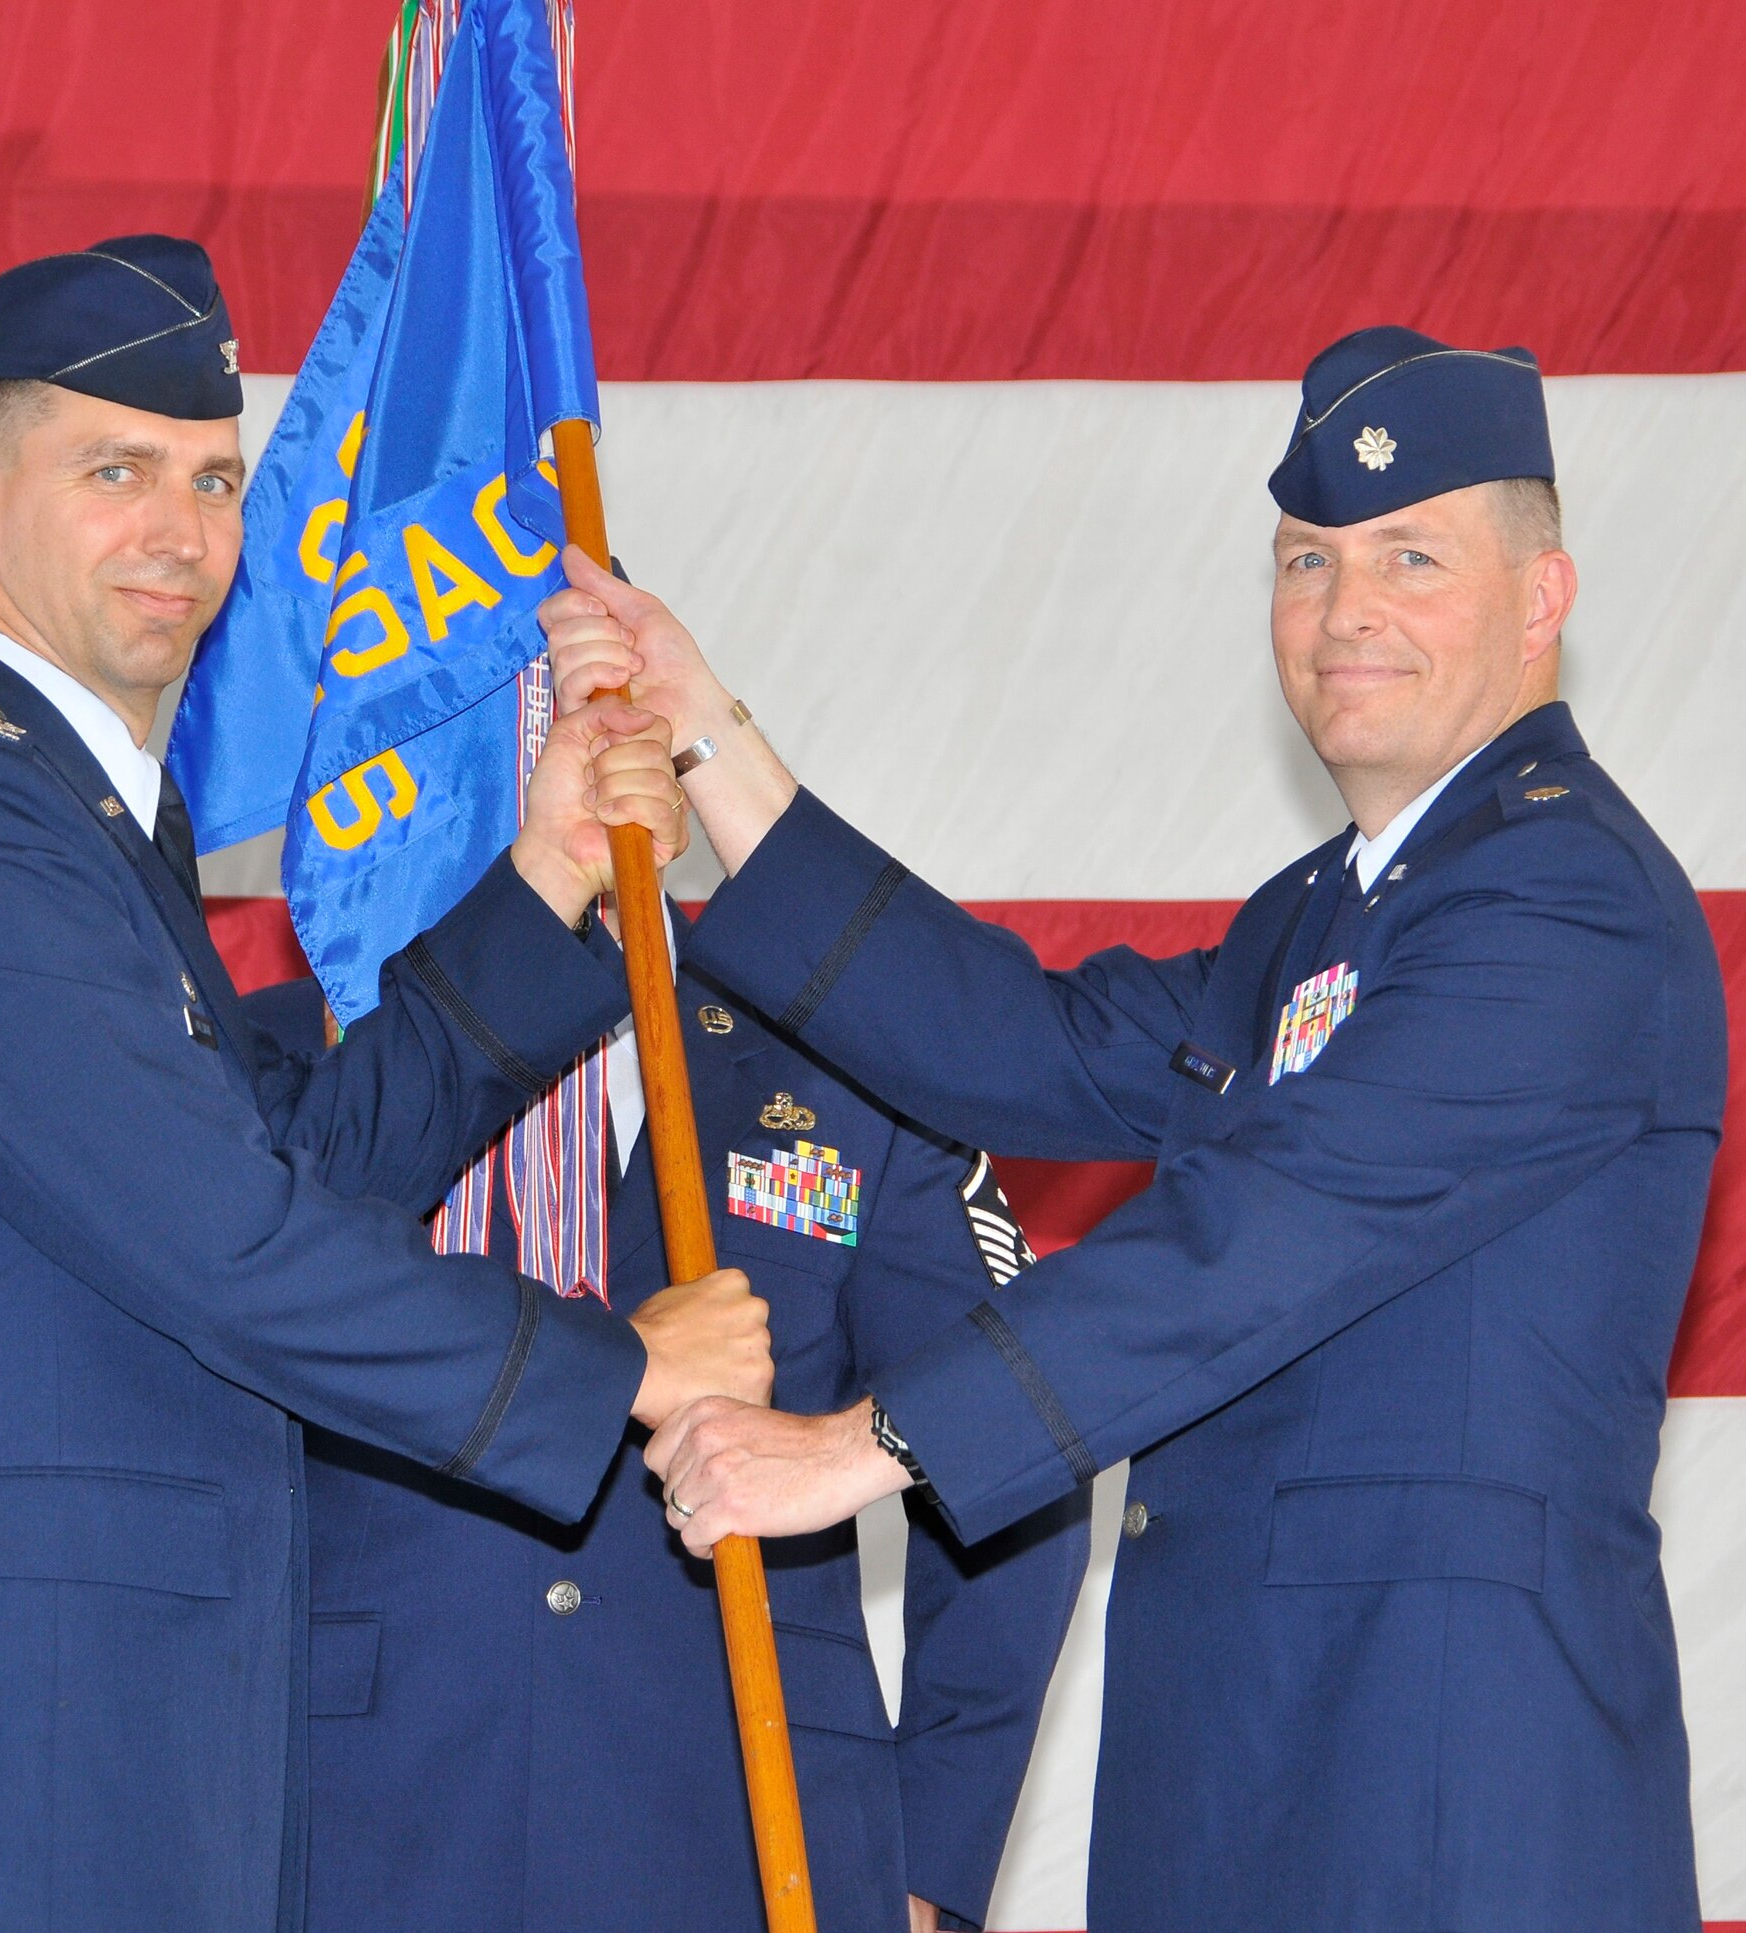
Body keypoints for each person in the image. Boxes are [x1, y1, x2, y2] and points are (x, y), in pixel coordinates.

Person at [541, 326, 1727, 1932]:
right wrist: (708, 736)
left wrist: (860, 1443)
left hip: (1452, 1787)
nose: (1344, 609)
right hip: (1239, 1774)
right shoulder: (1311, 922)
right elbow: (1017, 1044)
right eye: (1306, 561)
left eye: (1412, 556)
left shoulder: (1561, 898)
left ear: (1543, 601)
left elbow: (1266, 1233)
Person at [0, 235, 770, 1933]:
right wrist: (617, 1366)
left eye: (217, 477)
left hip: (128, 1742)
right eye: (114, 469)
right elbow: (234, 1246)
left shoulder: (71, 821)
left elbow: (288, 1165)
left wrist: (540, 885)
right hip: (23, 1764)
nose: (181, 530)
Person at [247, 883, 1087, 1933]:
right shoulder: (277, 1063)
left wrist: (925, 1862)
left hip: (756, 1830)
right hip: (368, 1828)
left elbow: (1008, 1435)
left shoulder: (844, 1055)